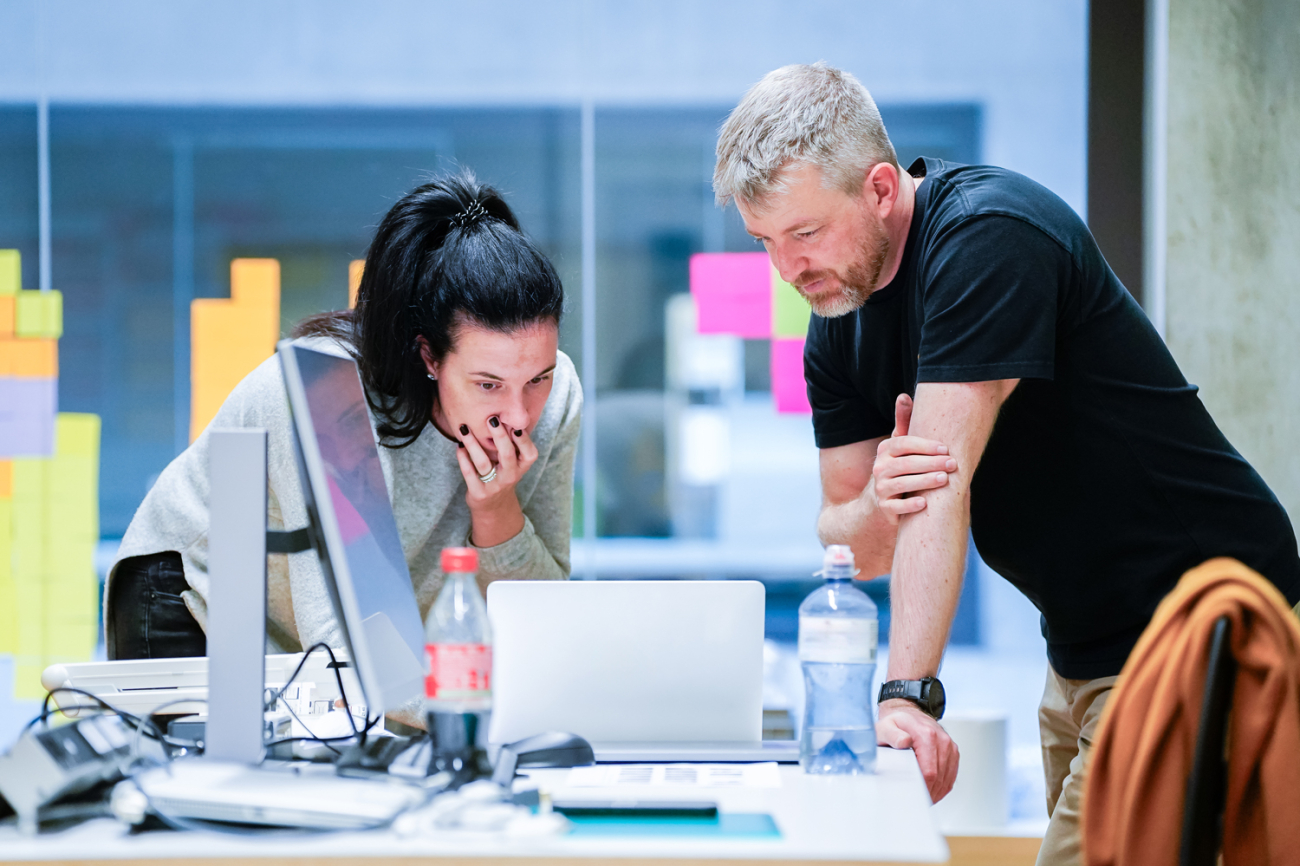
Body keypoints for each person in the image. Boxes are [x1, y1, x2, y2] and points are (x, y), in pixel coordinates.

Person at [713, 63, 1300, 865]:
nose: (786, 270)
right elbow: (850, 535)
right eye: (764, 243)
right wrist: (881, 499)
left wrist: (907, 696)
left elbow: (939, 485)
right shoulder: (834, 321)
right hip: (1080, 655)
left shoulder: (987, 235)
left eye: (805, 234)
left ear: (881, 188)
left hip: (1198, 624)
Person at [106, 170, 580, 668]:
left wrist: (496, 511)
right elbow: (335, 635)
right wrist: (467, 705)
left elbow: (539, 620)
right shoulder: (327, 391)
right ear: (429, 357)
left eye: (537, 379)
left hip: (333, 646)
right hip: (191, 597)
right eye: (488, 384)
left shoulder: (561, 394)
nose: (519, 414)